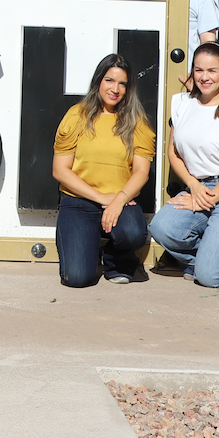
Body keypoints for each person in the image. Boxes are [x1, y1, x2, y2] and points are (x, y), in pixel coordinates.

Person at [148, 43, 219, 287]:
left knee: (211, 278)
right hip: (198, 187)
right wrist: (193, 186)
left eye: (212, 70)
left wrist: (204, 199)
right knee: (161, 227)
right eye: (199, 70)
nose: (204, 77)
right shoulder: (182, 104)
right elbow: (173, 152)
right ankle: (208, 259)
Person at [51, 54, 155, 287]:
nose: (115, 89)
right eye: (109, 80)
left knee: (133, 233)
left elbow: (141, 172)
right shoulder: (77, 115)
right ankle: (87, 249)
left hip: (121, 200)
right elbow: (60, 170)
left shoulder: (137, 121)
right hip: (79, 201)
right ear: (98, 81)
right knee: (77, 278)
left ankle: (116, 260)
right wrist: (100, 197)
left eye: (122, 84)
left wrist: (118, 200)